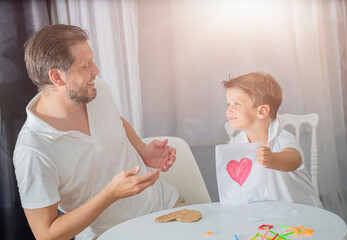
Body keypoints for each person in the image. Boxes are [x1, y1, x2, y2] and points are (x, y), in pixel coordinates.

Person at [13, 24, 180, 240]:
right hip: (111, 235)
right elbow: (46, 234)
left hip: (167, 208)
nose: (96, 71)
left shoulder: (96, 90)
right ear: (57, 77)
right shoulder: (33, 150)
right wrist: (110, 195)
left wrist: (142, 149)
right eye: (87, 65)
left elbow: (114, 120)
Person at [222, 72, 322, 207]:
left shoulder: (283, 137)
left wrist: (272, 159)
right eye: (228, 104)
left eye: (237, 104)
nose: (229, 110)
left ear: (261, 112)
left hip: (302, 214)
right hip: (267, 216)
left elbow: (293, 159)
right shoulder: (235, 144)